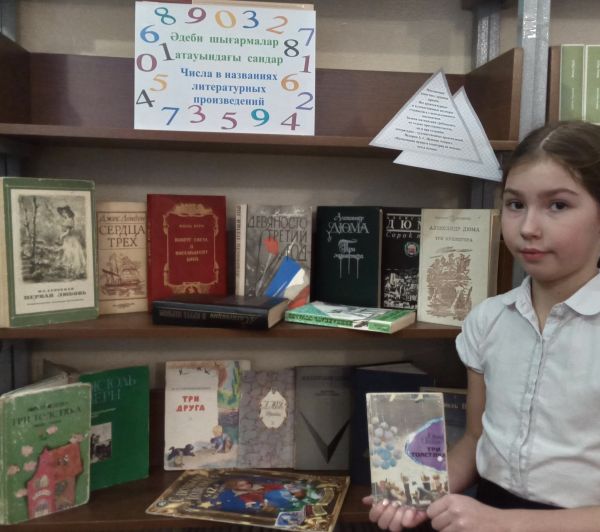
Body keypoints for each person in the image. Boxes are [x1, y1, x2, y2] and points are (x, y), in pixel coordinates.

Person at [362, 121, 600, 532]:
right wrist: (419, 492)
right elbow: (475, 440)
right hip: (487, 512)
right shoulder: (488, 320)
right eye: (515, 204)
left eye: (558, 205)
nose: (528, 228)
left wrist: (505, 523)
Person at [56, 204, 86, 279]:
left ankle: (74, 273)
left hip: (71, 240)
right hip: (68, 240)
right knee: (68, 255)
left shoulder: (69, 220)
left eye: (65, 212)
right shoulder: (68, 220)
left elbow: (68, 232)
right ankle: (70, 273)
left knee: (71, 255)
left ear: (68, 212)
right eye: (62, 212)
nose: (63, 214)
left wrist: (61, 236)